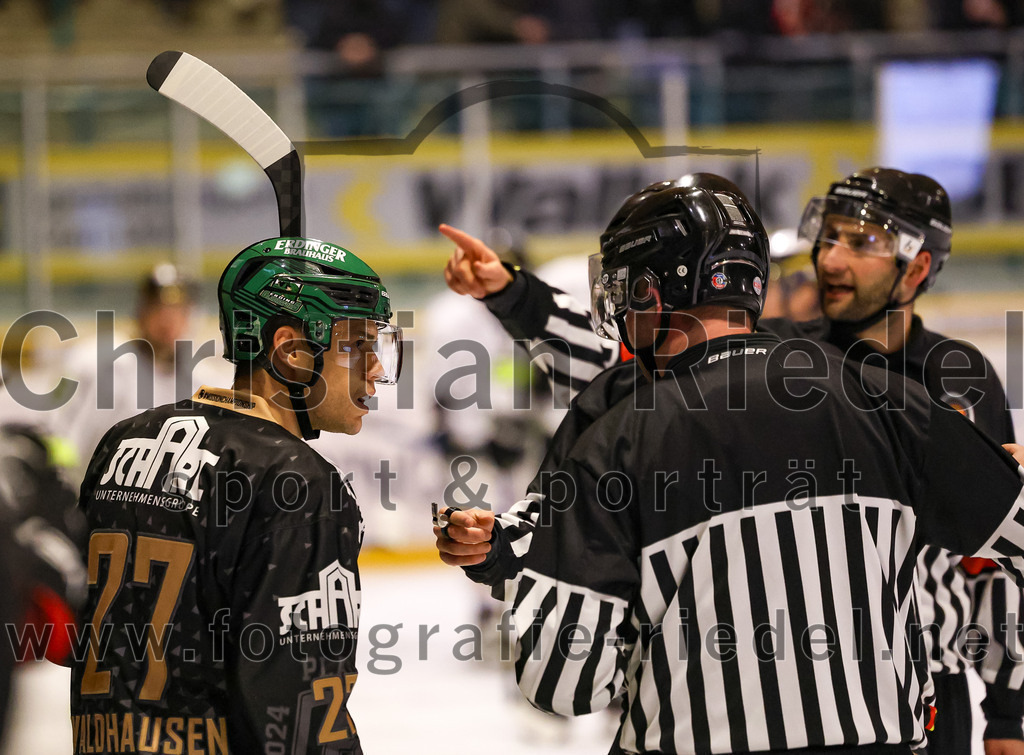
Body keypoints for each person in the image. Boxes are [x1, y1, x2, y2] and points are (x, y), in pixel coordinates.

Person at [440, 167, 1024, 754]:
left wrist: (1007, 712)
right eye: (833, 236)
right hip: (888, 721)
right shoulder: (880, 396)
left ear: (916, 266)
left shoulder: (624, 429)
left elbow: (565, 682)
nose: (831, 260)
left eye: (862, 241)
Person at [69, 236, 402, 754]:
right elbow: (295, 714)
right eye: (357, 346)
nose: (377, 367)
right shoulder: (297, 483)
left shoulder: (123, 440)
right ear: (291, 351)